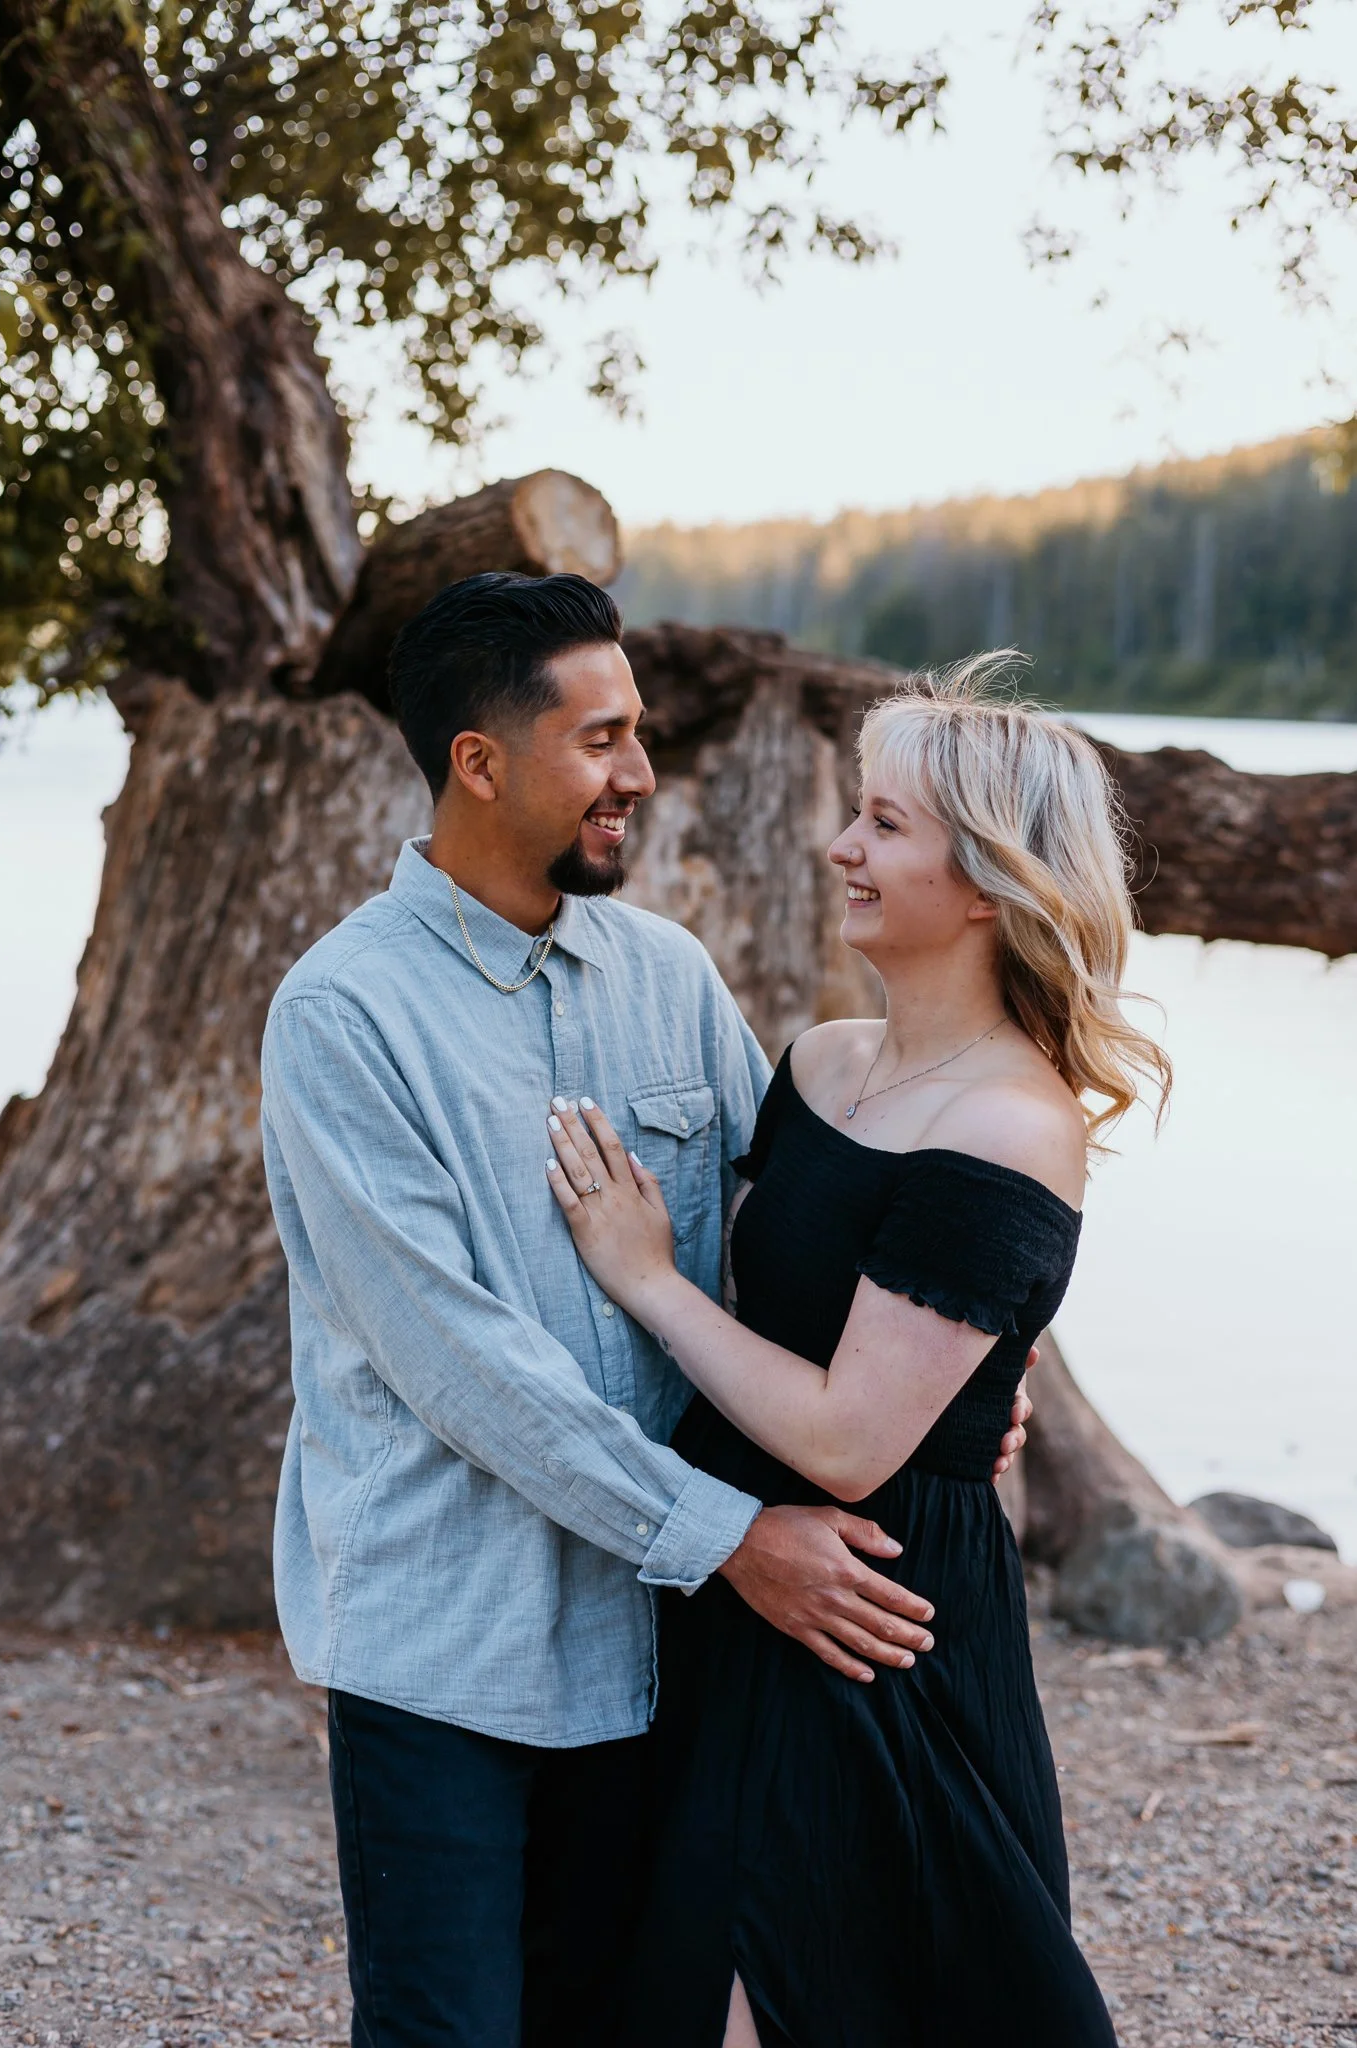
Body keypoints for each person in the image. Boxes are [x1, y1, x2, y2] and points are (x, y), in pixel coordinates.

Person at [259, 575, 1031, 2047]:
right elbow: (460, 1365)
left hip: (666, 1649)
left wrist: (958, 1388)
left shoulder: (667, 977)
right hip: (451, 1650)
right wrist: (730, 1537)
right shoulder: (343, 1017)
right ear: (480, 762)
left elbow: (796, 1241)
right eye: (600, 739)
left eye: (640, 731)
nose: (641, 773)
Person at [543, 654, 1172, 2048]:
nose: (841, 846)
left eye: (884, 825)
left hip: (877, 1609)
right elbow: (786, 1317)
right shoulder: (822, 1061)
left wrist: (642, 1278)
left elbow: (846, 1437)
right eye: (855, 813)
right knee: (670, 1965)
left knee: (817, 1984)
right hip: (734, 1570)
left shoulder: (1012, 1125)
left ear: (991, 881)